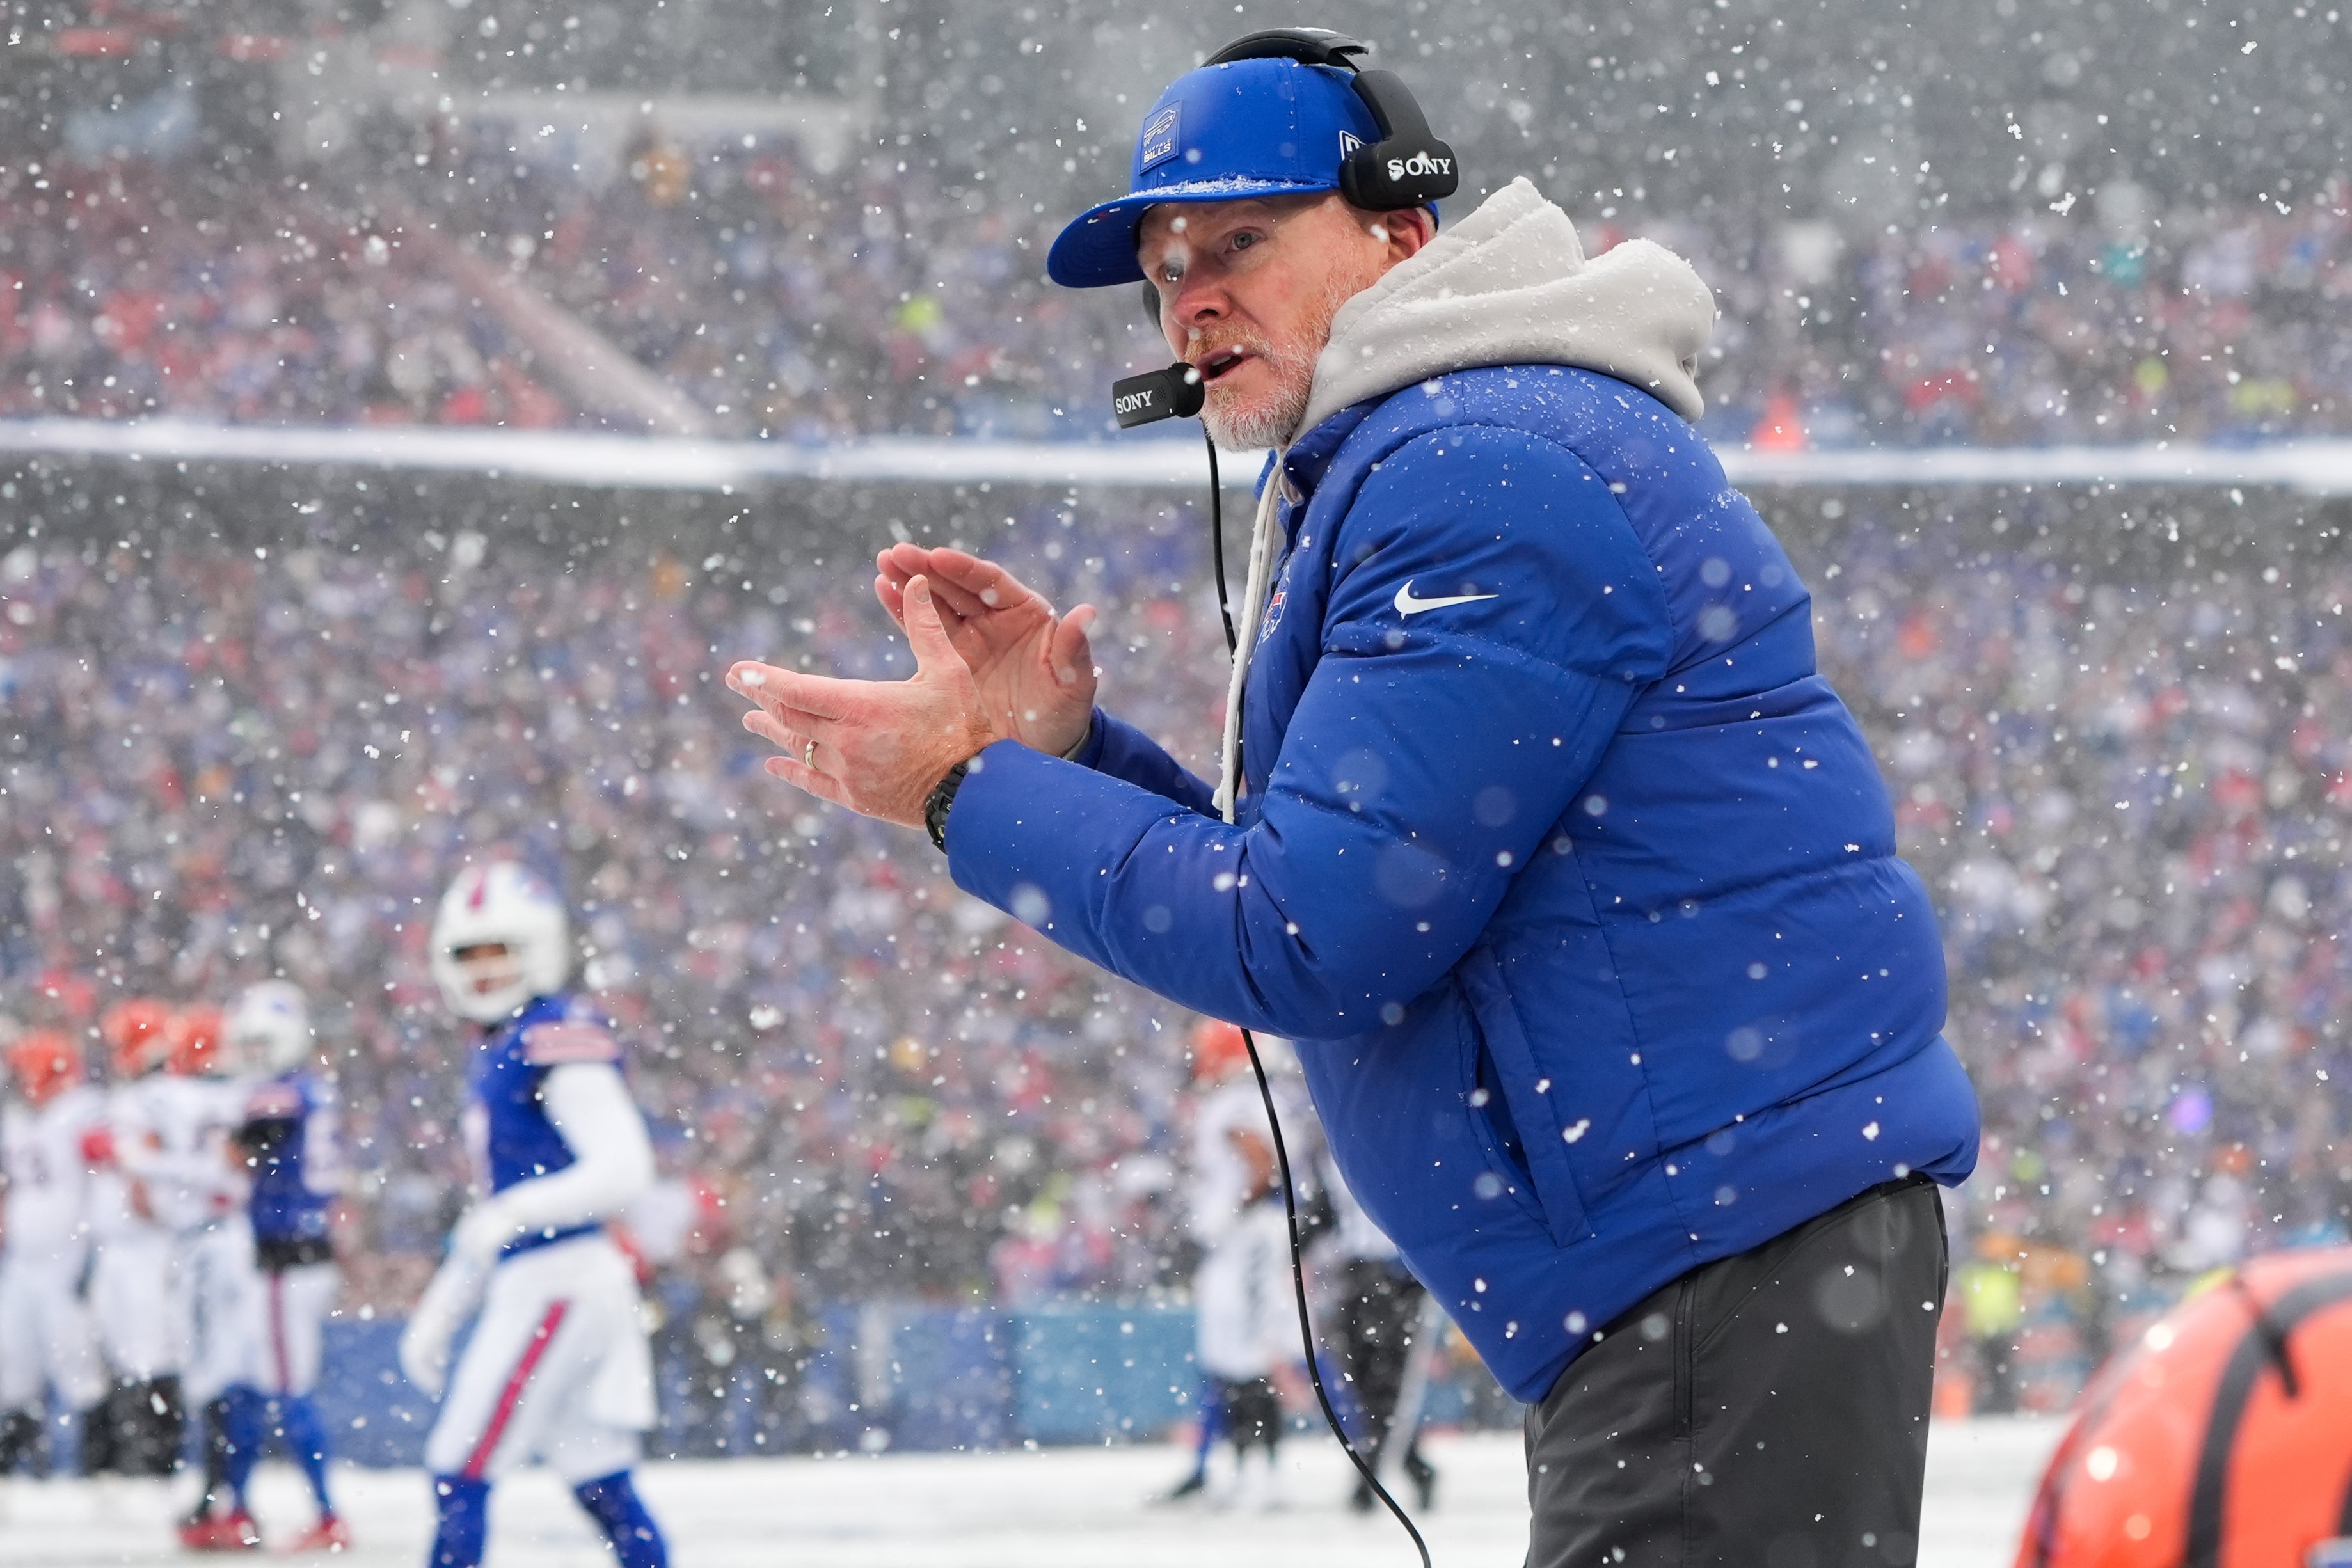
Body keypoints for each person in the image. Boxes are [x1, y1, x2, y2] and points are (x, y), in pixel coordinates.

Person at [726, 28, 1980, 1563]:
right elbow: (1336, 878)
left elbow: (1317, 934)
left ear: (1400, 233)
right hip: (1704, 1248)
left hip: (1713, 1252)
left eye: (1240, 240)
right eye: (1164, 267)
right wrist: (1057, 764)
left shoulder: (1480, 469)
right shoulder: (1446, 449)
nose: (1190, 293)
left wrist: (961, 792)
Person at [399, 861, 669, 1568]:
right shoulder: (504, 1043)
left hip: (563, 1278)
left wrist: (517, 1212)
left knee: (459, 1466)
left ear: (539, 948)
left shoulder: (553, 1035)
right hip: (551, 1276)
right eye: (470, 954)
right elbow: (493, 1216)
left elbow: (622, 1168)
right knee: (600, 1479)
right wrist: (442, 1306)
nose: (485, 971)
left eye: (502, 952)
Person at [184, 981, 353, 1552]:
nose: (253, 1056)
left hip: (287, 1257)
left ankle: (328, 1513)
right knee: (253, 1387)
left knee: (285, 1386)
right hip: (296, 1251)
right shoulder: (310, 1088)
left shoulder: (280, 1094)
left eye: (261, 1044)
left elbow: (239, 1152)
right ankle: (237, 1507)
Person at [1168, 1020, 1302, 1510]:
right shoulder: (1251, 1097)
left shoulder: (1237, 1102)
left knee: (1245, 1358)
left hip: (1247, 1239)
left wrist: (1230, 1216)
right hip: (1251, 1237)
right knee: (1236, 1357)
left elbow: (1260, 1165)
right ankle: (1251, 1469)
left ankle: (1260, 1474)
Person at [84, 997, 188, 1482]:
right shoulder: (140, 1094)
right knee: (122, 1348)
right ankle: (136, 1457)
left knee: (152, 1347)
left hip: (151, 1241)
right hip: (121, 1242)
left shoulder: (161, 1094)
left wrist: (138, 1178)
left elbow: (157, 1157)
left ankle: (157, 1460)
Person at [0, 1027, 110, 1478]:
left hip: (67, 1255)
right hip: (24, 1258)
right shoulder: (19, 1118)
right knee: (11, 1360)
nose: (22, 1080)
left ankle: (99, 1465)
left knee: (76, 1360)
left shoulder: (81, 1111)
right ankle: (14, 1465)